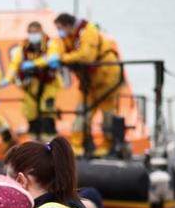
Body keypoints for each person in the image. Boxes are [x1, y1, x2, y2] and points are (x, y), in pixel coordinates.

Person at [52, 13, 124, 157]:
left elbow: (86, 56)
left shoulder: (88, 32)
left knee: (108, 113)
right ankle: (78, 145)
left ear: (67, 25)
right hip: (88, 80)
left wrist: (64, 58)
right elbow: (58, 48)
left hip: (106, 76)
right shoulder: (68, 38)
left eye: (60, 28)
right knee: (82, 111)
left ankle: (107, 145)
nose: (59, 31)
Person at [2, 21, 64, 141]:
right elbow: (15, 64)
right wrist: (8, 78)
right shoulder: (24, 47)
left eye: (35, 32)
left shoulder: (50, 44)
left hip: (48, 84)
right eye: (30, 32)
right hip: (31, 86)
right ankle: (35, 145)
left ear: (41, 31)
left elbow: (50, 58)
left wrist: (34, 64)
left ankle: (50, 145)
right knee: (30, 114)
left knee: (47, 114)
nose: (32, 35)